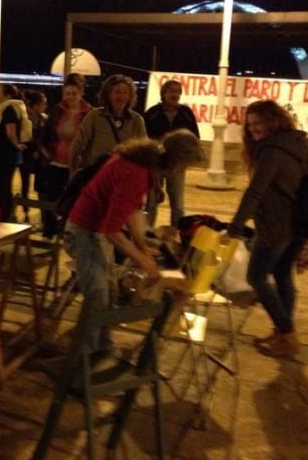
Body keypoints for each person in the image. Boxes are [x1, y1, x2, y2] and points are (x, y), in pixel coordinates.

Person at [64, 131, 204, 354]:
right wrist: (143, 260)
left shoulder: (143, 163)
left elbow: (132, 211)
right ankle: (84, 359)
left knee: (109, 291)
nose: (181, 172)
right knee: (99, 296)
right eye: (184, 167)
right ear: (176, 161)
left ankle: (103, 348)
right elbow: (112, 230)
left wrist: (141, 246)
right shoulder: (136, 172)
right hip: (84, 231)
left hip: (95, 231)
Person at [226, 100, 308, 357]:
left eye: (259, 123)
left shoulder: (271, 151)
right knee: (282, 276)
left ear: (274, 120)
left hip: (275, 226)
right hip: (296, 225)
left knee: (256, 278)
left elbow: (255, 193)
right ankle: (281, 333)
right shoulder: (295, 143)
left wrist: (235, 227)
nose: (254, 129)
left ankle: (288, 334)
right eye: (250, 125)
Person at [38, 73, 94, 237]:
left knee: (73, 201)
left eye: (74, 93)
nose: (70, 97)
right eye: (67, 93)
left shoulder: (89, 113)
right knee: (51, 199)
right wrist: (46, 152)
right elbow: (46, 133)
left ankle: (69, 234)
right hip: (56, 162)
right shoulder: (58, 110)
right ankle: (49, 234)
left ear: (81, 92)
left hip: (78, 166)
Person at [143, 79, 200, 228]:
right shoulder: (152, 113)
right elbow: (143, 138)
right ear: (164, 93)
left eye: (178, 91)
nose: (175, 94)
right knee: (151, 203)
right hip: (156, 165)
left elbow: (194, 139)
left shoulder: (186, 113)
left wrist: (185, 161)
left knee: (178, 205)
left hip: (177, 166)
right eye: (171, 91)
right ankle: (148, 233)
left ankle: (176, 234)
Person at [70, 74, 146, 174]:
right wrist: (73, 174)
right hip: (96, 175)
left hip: (123, 176)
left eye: (125, 93)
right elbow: (76, 147)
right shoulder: (94, 116)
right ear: (108, 94)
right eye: (117, 92)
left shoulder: (136, 120)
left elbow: (144, 151)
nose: (121, 97)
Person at [0, 84, 32, 222]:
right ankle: (3, 216)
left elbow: (10, 132)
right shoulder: (10, 108)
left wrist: (16, 144)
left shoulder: (9, 109)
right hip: (5, 155)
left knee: (2, 188)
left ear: (8, 96)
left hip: (5, 155)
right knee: (2, 187)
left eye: (0, 93)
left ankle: (4, 218)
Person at [18, 90, 48, 220]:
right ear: (35, 106)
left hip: (39, 157)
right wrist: (32, 149)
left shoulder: (44, 119)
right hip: (26, 155)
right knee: (25, 184)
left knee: (40, 186)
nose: (45, 107)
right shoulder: (25, 119)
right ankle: (26, 212)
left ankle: (43, 213)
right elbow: (24, 138)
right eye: (43, 104)